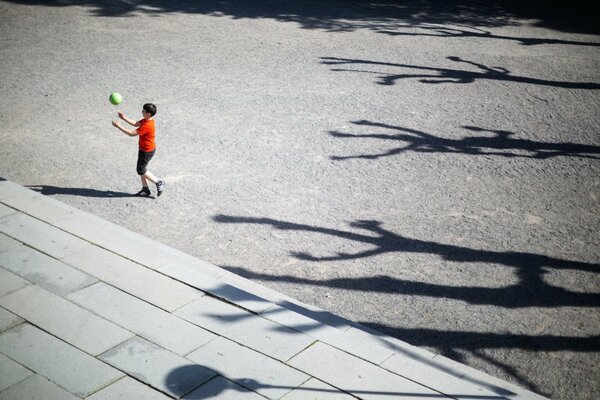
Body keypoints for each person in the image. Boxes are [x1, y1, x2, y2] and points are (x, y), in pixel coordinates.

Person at [112, 103, 165, 197]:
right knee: (141, 169)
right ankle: (145, 189)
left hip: (147, 151)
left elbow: (131, 133)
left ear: (148, 114)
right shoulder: (147, 120)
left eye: (143, 110)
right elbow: (135, 123)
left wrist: (118, 126)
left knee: (141, 170)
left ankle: (158, 182)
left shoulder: (147, 125)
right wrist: (124, 118)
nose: (142, 111)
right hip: (144, 149)